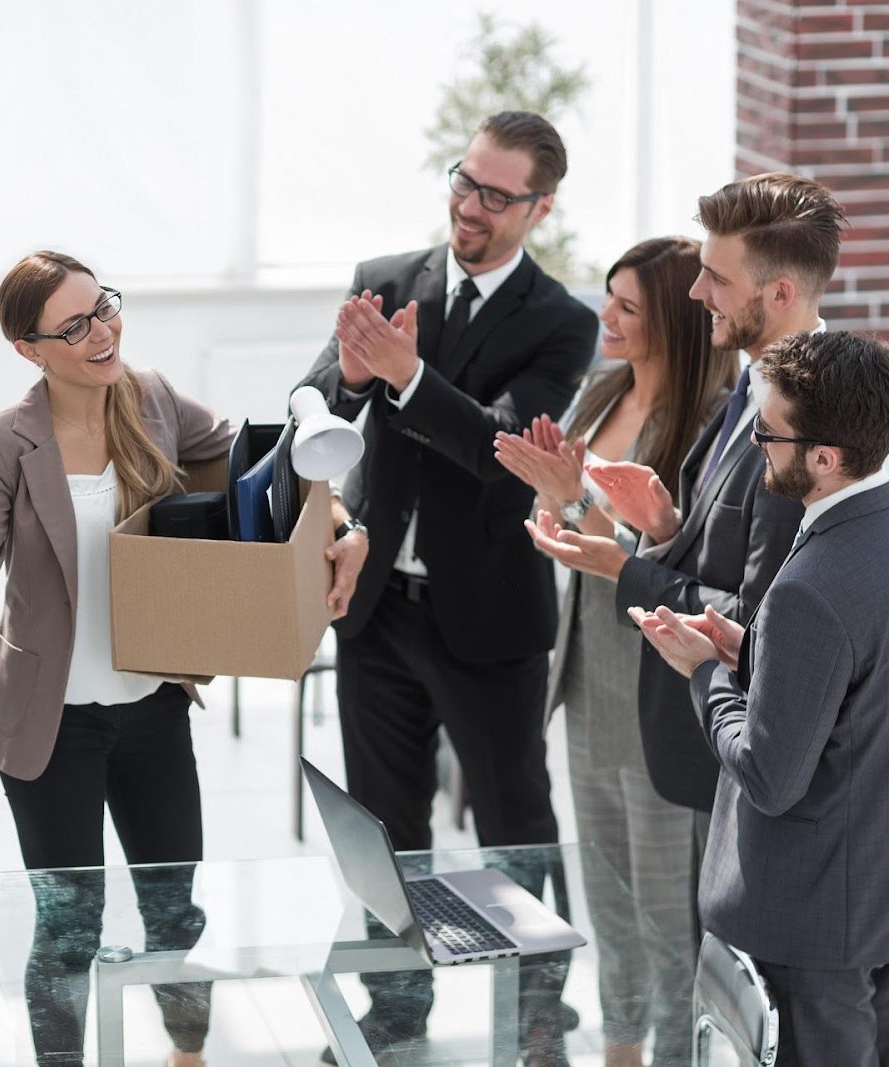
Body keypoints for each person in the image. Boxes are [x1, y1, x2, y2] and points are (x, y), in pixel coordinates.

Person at [0, 250, 371, 1067]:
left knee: (175, 910)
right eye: (76, 325)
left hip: (153, 707)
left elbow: (260, 457)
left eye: (105, 307)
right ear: (30, 347)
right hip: (48, 724)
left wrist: (340, 526)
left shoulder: (151, 398)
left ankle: (186, 1055)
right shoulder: (0, 443)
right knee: (70, 928)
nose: (103, 331)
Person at [296, 110, 598, 1062]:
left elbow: (504, 454)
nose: (470, 206)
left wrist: (408, 376)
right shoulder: (385, 279)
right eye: (463, 183)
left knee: (515, 821)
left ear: (539, 207)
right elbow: (313, 400)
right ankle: (396, 1012)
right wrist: (345, 382)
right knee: (385, 825)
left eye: (495, 195)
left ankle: (539, 1007)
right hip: (378, 607)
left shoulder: (563, 322)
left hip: (490, 623)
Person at [632, 331, 889, 1066]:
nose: (755, 442)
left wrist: (702, 672)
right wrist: (750, 648)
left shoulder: (809, 586)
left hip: (817, 918)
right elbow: (875, 692)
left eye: (767, 431)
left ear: (826, 457)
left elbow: (768, 774)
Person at [524, 173, 843, 840]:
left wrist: (626, 566)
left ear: (780, 293)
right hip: (679, 726)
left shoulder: (807, 426)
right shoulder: (753, 390)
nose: (699, 294)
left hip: (731, 752)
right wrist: (665, 526)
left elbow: (763, 624)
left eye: (717, 280)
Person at [495, 236, 735, 1066]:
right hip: (589, 673)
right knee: (609, 898)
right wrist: (556, 505)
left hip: (655, 679)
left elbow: (674, 559)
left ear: (672, 315)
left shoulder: (709, 422)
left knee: (669, 915)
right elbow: (562, 527)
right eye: (610, 299)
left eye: (629, 306)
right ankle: (620, 1050)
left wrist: (575, 505)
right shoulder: (602, 392)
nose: (609, 318)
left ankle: (676, 1053)